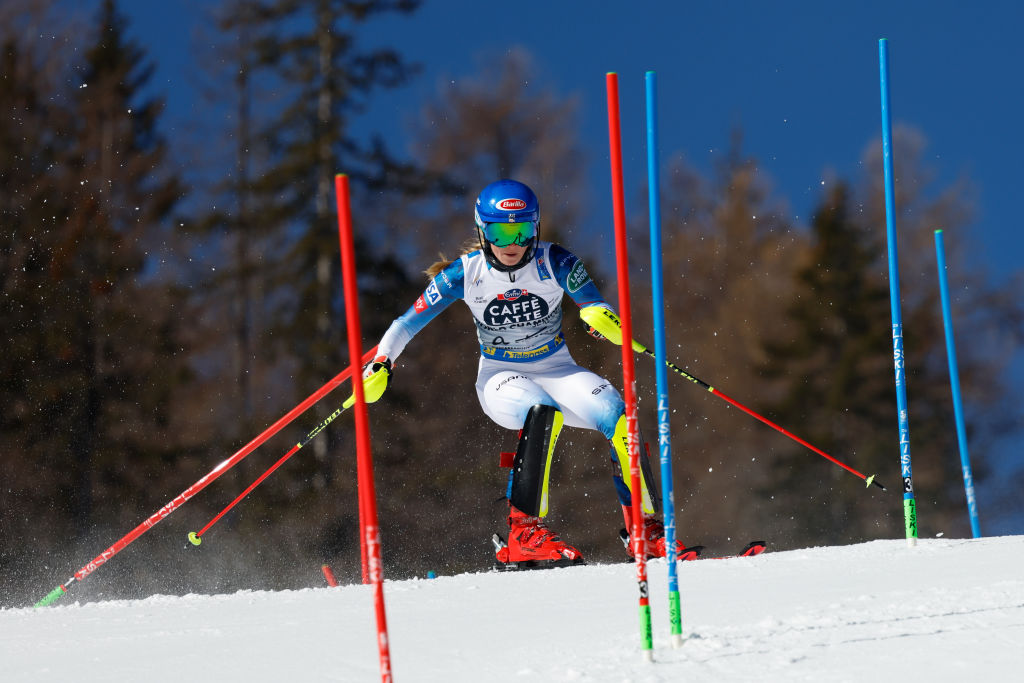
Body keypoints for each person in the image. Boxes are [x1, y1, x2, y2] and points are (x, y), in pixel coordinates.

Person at [360, 179, 685, 568]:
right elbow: (406, 323)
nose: (512, 243)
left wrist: (601, 319)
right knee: (542, 410)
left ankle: (645, 531)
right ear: (483, 231)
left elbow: (594, 306)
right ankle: (522, 533)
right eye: (500, 231)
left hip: (557, 368)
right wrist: (381, 362)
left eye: (522, 230)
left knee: (619, 414)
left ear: (536, 228)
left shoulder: (556, 261)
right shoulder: (466, 273)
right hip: (501, 378)